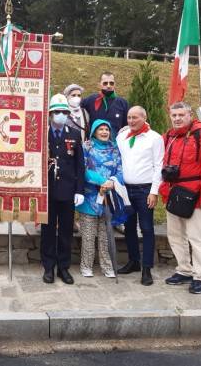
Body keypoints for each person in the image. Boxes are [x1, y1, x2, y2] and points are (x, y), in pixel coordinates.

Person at [160, 102, 201, 294]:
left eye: (181, 115)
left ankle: (200, 277)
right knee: (175, 235)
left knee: (197, 237)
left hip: (195, 193)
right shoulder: (169, 137)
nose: (177, 118)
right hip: (173, 192)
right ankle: (184, 269)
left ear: (189, 114)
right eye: (174, 115)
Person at [116, 106, 164, 286]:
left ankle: (146, 268)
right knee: (128, 227)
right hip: (126, 189)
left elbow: (159, 166)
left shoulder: (154, 138)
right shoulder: (122, 136)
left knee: (146, 229)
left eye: (135, 117)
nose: (131, 121)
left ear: (144, 117)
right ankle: (134, 261)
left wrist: (154, 191)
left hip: (145, 190)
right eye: (129, 117)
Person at [42, 94, 85, 284]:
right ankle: (48, 267)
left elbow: (79, 165)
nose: (60, 115)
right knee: (48, 231)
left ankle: (64, 268)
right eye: (57, 112)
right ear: (50, 114)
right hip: (47, 191)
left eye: (64, 112)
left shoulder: (74, 134)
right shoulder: (42, 134)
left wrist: (80, 190)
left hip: (68, 191)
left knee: (66, 231)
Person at [78, 119, 124, 278]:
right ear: (94, 131)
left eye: (107, 129)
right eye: (101, 129)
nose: (104, 132)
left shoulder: (114, 148)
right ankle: (86, 266)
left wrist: (111, 182)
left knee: (106, 237)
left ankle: (107, 266)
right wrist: (100, 181)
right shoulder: (87, 147)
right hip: (89, 198)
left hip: (109, 197)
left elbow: (120, 170)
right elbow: (82, 169)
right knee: (88, 237)